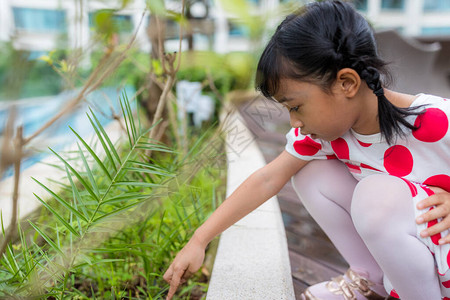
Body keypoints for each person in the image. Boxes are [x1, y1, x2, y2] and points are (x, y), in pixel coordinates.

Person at [163, 1, 450, 299]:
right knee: (311, 174)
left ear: (347, 83)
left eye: (296, 106)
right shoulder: (328, 135)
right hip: (413, 254)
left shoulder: (438, 120)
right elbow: (266, 180)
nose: (294, 121)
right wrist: (199, 240)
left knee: (374, 196)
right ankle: (371, 280)